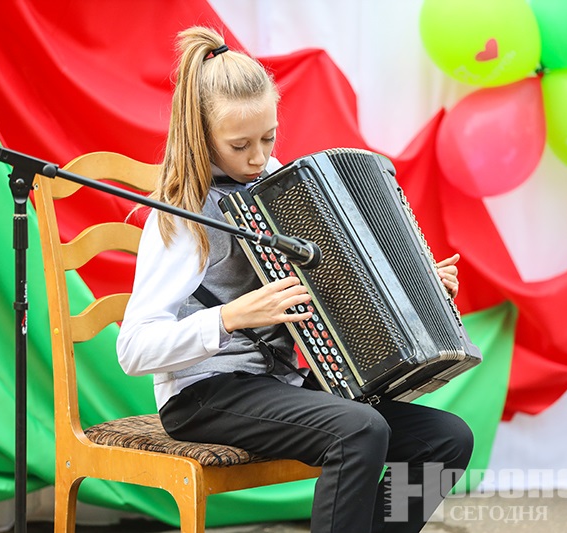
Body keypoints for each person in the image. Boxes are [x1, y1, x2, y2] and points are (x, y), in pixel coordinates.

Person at [116, 26, 473, 533]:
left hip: (275, 383)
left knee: (445, 439)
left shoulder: (277, 184)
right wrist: (230, 317)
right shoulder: (180, 215)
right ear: (201, 135)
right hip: (203, 395)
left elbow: (336, 283)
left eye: (269, 137)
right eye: (240, 145)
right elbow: (133, 350)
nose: (258, 158)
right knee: (359, 431)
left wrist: (414, 286)